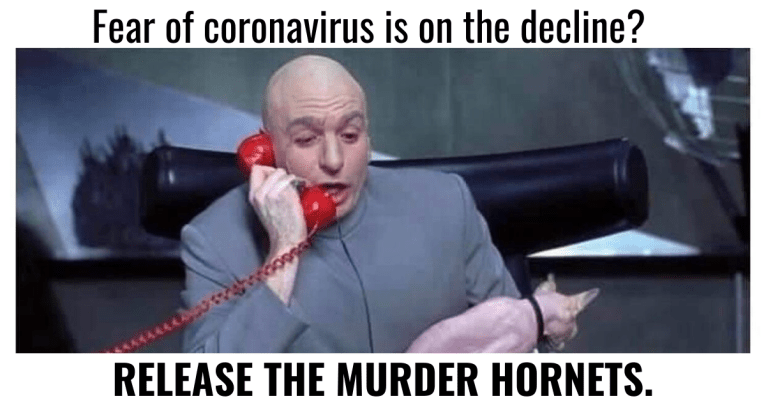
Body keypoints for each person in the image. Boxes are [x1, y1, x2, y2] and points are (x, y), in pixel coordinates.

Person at [180, 55, 595, 353]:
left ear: (369, 138)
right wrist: (284, 251)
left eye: (350, 135)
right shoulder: (212, 240)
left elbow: (519, 351)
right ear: (266, 150)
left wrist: (540, 324)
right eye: (306, 139)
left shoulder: (446, 202)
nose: (334, 160)